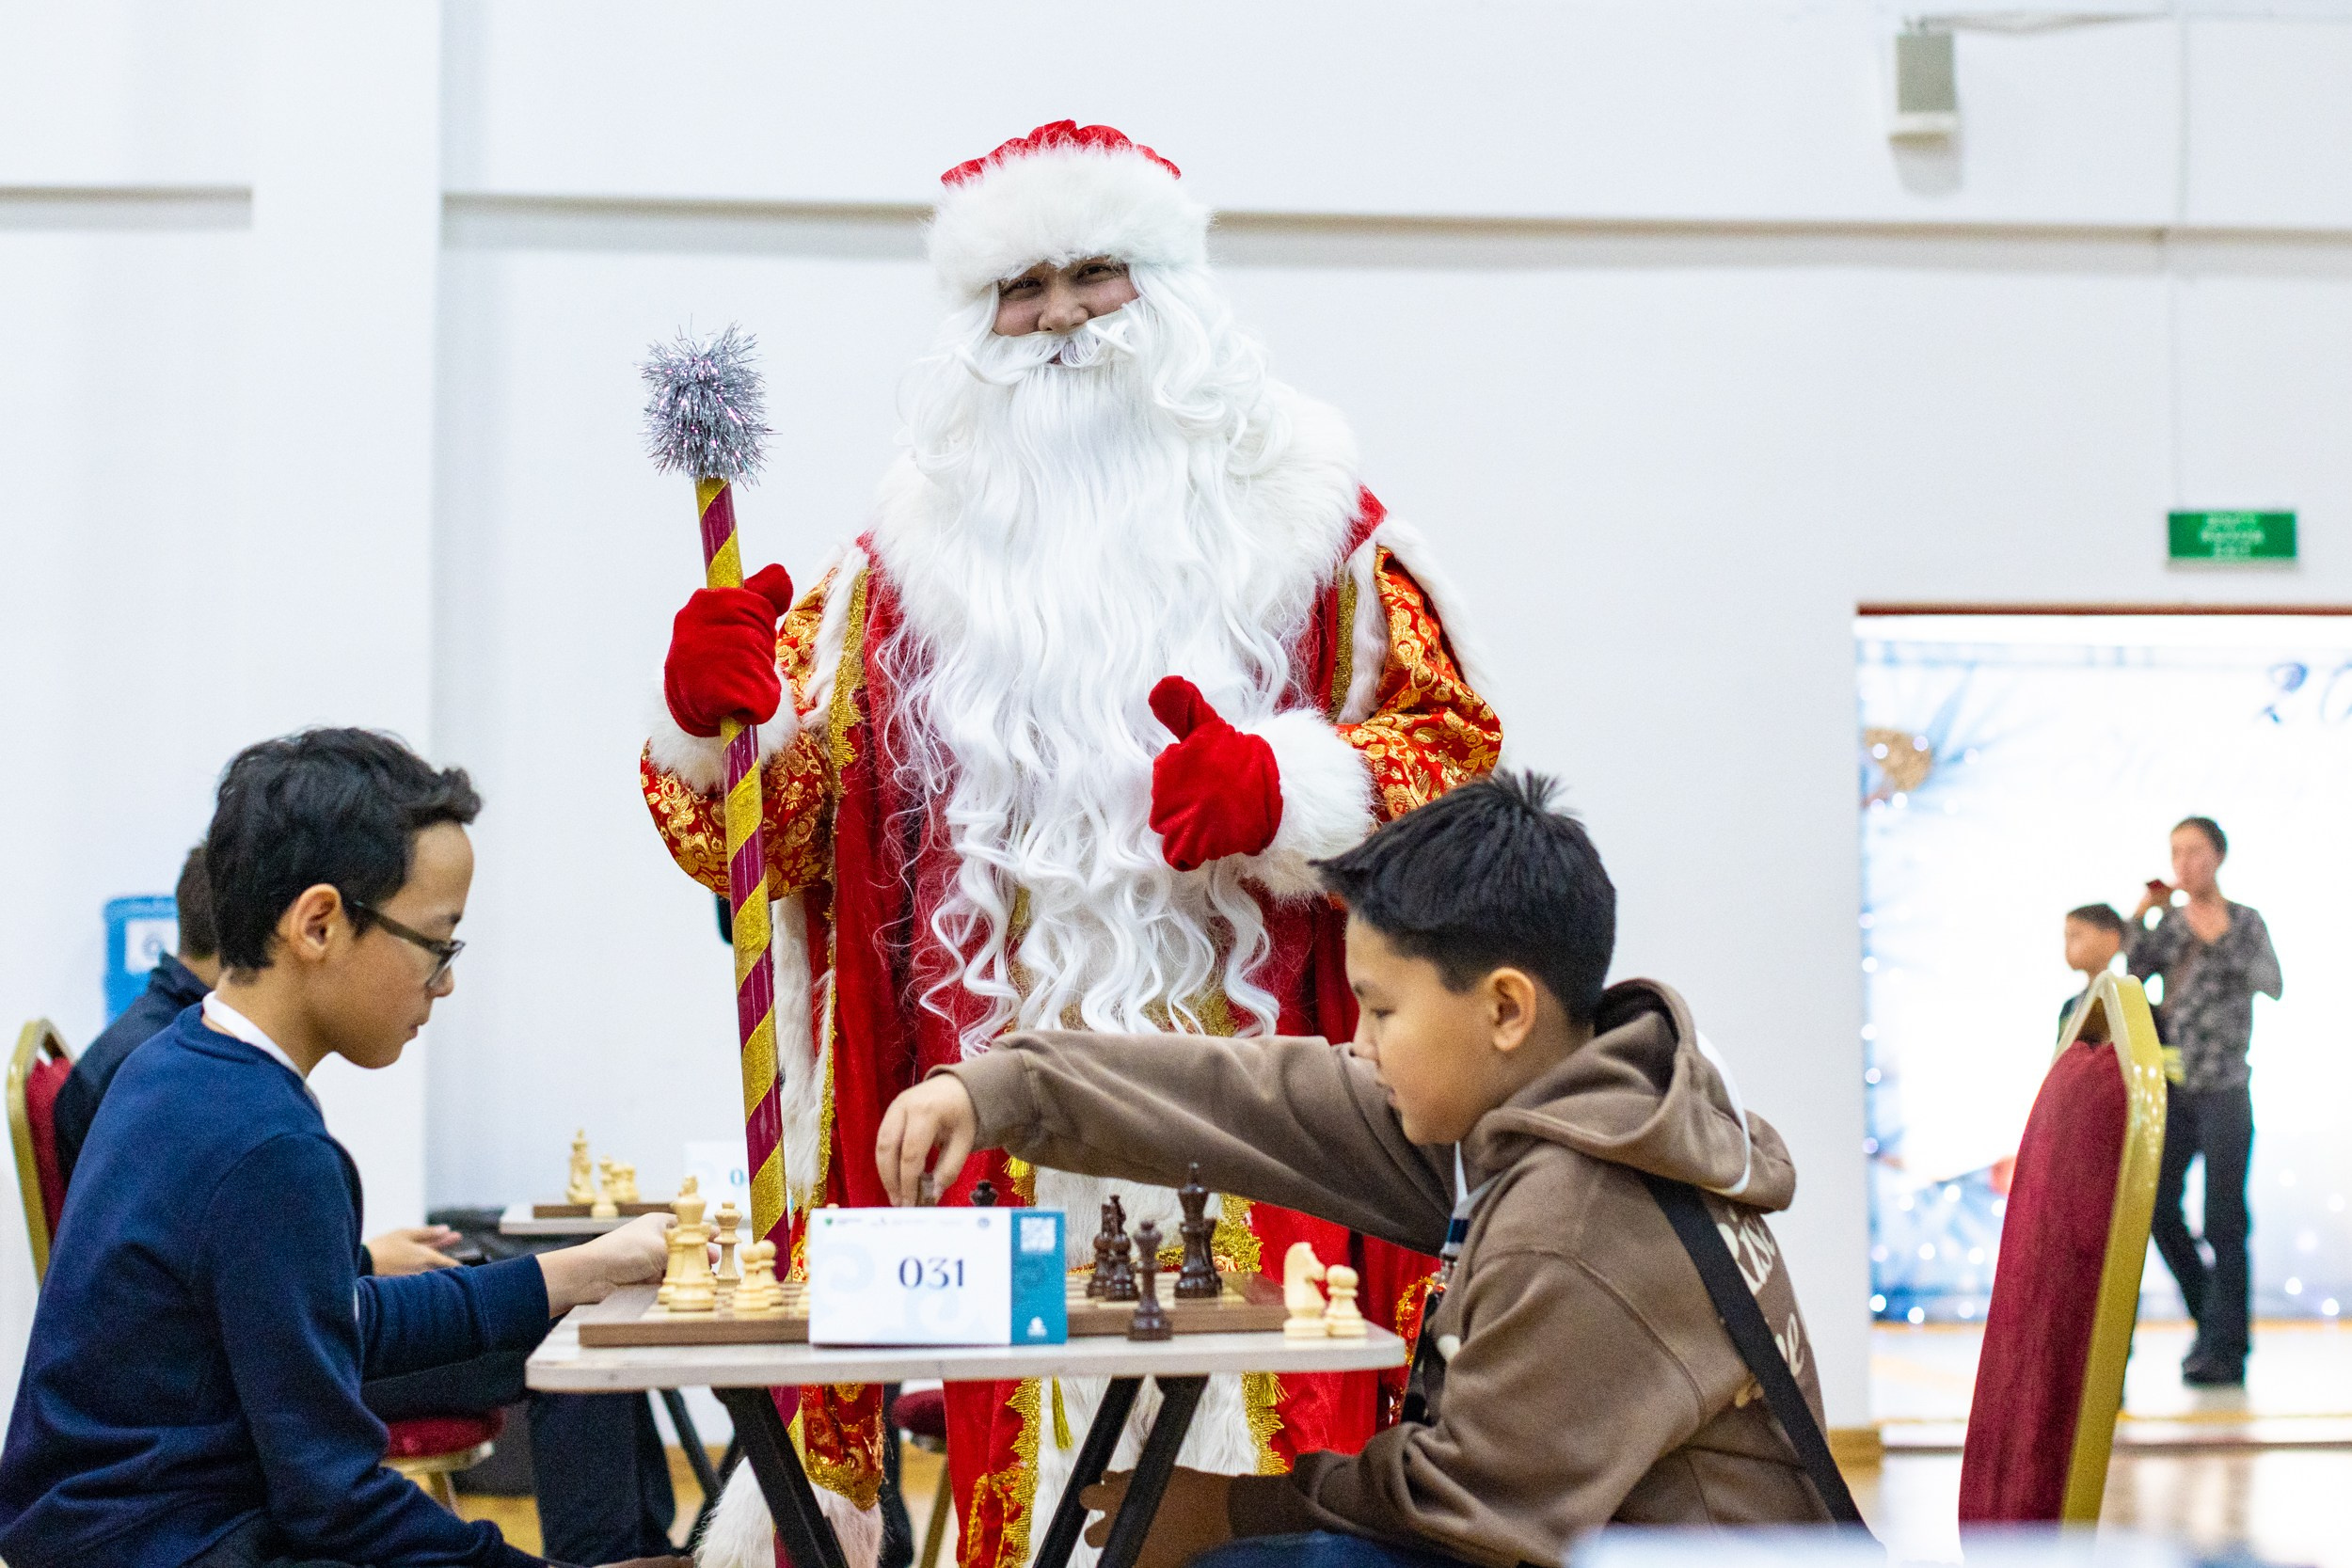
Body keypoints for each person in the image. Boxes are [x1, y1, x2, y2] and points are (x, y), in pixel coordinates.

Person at [644, 121, 1501, 1564]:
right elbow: (754, 840)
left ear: (1172, 291)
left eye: (1094, 274)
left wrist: (1289, 791)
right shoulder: (896, 577)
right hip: (1003, 1148)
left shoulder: (1324, 536)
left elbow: (1459, 776)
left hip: (1272, 1143)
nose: (1054, 320)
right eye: (1017, 289)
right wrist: (709, 723)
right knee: (1027, 1499)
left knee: (1273, 1492)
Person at [874, 773, 1831, 1567]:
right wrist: (998, 1087)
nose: (1360, 1045)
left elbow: (1467, 1509)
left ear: (1504, 1009)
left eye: (1379, 1010)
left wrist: (1225, 1509)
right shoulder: (1541, 1112)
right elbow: (1251, 1096)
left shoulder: (1581, 1215)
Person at [0, 729, 685, 1568]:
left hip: (112, 1531)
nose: (447, 979)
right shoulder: (268, 1144)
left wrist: (579, 1270)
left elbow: (341, 1317)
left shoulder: (177, 1064)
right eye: (438, 944)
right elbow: (337, 1502)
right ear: (319, 923)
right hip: (173, 1544)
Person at [2129, 816, 2282, 1388]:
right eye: (2176, 852)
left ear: (2218, 856)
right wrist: (2142, 908)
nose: (2185, 863)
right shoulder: (2167, 926)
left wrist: (2219, 947)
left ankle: (2225, 1349)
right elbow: (2131, 971)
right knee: (2160, 1208)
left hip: (2227, 1089)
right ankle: (2212, 1321)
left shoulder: (2246, 923)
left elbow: (2273, 981)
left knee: (2225, 1219)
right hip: (2176, 1089)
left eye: (2195, 851)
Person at [2057, 902, 2127, 1040]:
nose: (2068, 946)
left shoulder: (2127, 1001)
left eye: (2075, 936)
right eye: (2066, 938)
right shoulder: (2069, 1007)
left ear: (2111, 940)